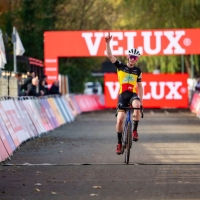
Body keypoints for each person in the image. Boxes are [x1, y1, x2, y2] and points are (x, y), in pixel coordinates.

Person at [105, 32, 143, 155]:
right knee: (120, 119)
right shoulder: (120, 66)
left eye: (135, 58)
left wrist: (141, 101)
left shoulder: (138, 71)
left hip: (132, 94)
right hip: (122, 96)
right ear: (128, 56)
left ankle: (135, 131)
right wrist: (107, 43)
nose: (133, 59)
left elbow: (140, 86)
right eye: (132, 56)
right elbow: (110, 56)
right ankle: (119, 143)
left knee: (137, 105)